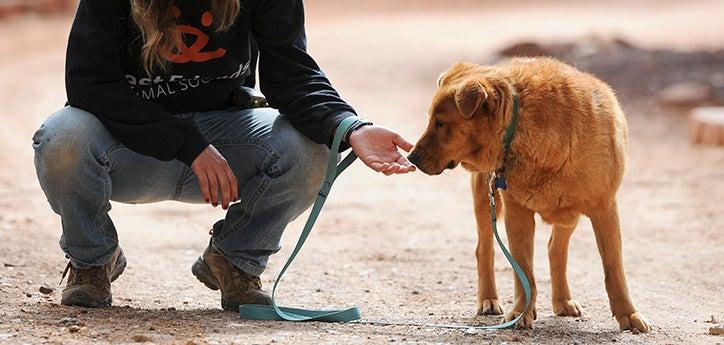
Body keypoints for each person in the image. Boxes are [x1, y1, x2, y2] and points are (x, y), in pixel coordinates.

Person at [32, 0, 415, 310]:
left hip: (225, 138)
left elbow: (293, 75)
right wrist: (190, 144)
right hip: (128, 147)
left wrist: (350, 127)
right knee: (62, 136)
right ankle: (93, 261)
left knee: (308, 146)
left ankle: (235, 259)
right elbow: (90, 84)